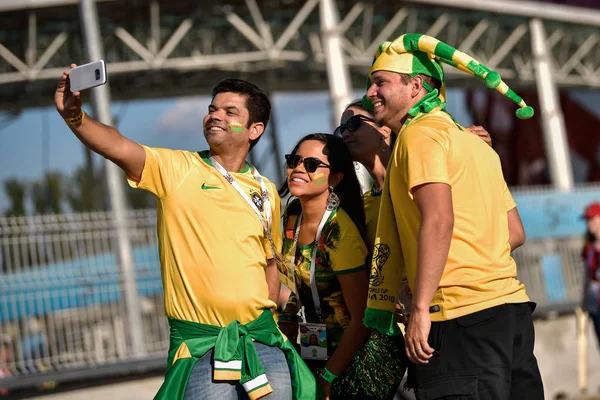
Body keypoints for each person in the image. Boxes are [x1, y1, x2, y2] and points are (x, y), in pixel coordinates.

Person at [54, 67, 316, 400]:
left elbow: (269, 263)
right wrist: (75, 116)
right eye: (212, 109)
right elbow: (118, 147)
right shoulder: (177, 169)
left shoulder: (266, 191)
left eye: (229, 111)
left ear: (255, 129)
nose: (215, 116)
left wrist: (275, 324)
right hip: (201, 346)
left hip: (262, 340)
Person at [361, 34, 544, 399]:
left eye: (380, 82)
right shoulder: (473, 143)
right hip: (510, 311)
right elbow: (514, 232)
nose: (370, 93)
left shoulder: (419, 136)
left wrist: (420, 308)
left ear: (416, 85)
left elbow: (439, 219)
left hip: (459, 317)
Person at [278, 134, 404, 400]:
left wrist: (326, 378)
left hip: (363, 354)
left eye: (312, 164)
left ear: (334, 179)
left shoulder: (338, 233)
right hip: (320, 350)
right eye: (295, 160)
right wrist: (283, 336)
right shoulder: (292, 215)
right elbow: (297, 284)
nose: (299, 168)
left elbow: (361, 320)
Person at [581, 201, 600, 348]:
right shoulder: (588, 248)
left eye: (592, 219)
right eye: (587, 220)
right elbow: (587, 277)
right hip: (596, 305)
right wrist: (584, 302)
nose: (589, 223)